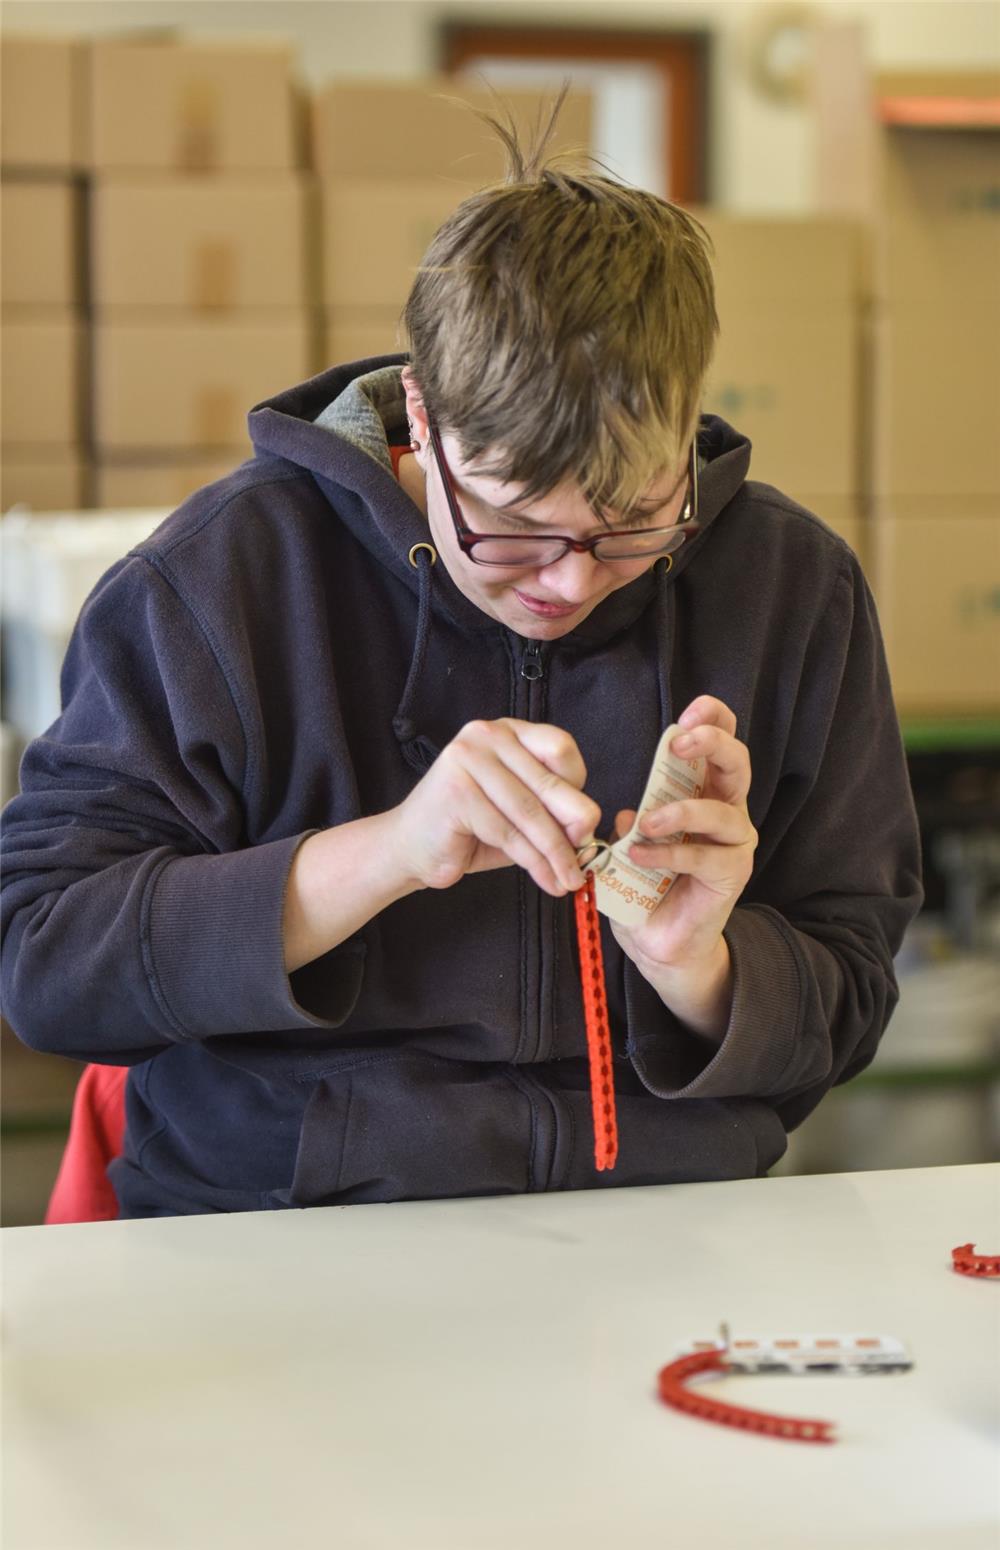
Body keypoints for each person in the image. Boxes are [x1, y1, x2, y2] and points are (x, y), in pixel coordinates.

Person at [1, 104, 922, 1218]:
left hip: (667, 1229)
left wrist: (703, 966)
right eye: (510, 524)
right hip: (286, 1236)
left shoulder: (792, 587)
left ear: (688, 432)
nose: (571, 581)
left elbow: (854, 990)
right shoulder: (217, 581)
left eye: (632, 521)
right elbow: (47, 965)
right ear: (420, 419)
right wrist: (386, 853)